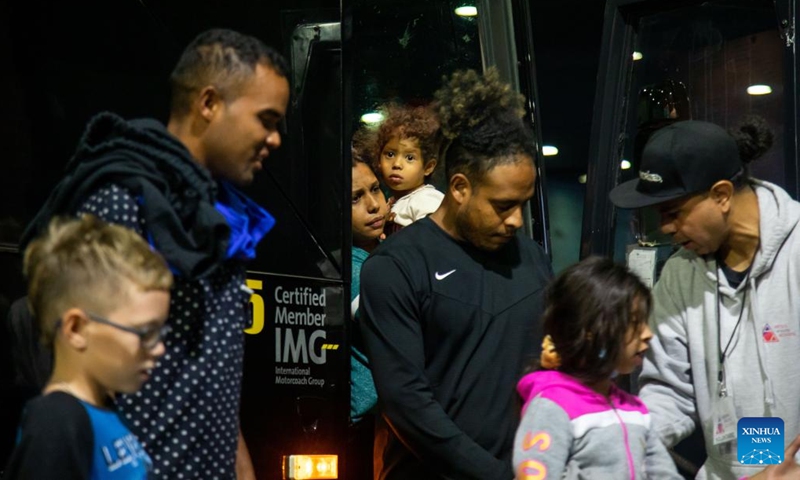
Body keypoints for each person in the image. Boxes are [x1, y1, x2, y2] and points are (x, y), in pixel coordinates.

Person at [18, 28, 290, 478]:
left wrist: (240, 465)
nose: (275, 139)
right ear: (208, 104)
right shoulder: (123, 201)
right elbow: (75, 367)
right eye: (266, 119)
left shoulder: (223, 217)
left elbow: (212, 365)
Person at [359, 67, 552, 479]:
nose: (517, 220)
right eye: (503, 205)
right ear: (460, 188)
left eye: (524, 204)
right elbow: (407, 404)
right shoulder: (395, 268)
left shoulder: (532, 259)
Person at [608, 118, 800, 479]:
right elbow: (667, 387)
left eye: (674, 213)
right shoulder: (681, 273)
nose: (665, 228)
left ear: (722, 195)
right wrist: (629, 443)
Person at [3, 214, 172, 479]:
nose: (159, 348)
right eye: (145, 332)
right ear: (76, 329)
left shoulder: (104, 411)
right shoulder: (56, 422)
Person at [512, 256, 681, 479]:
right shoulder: (551, 408)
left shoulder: (634, 410)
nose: (647, 333)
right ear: (591, 333)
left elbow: (663, 473)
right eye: (634, 323)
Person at [369, 102, 444, 235]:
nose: (397, 164)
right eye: (390, 154)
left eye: (409, 158)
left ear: (428, 167)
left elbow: (435, 242)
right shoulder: (391, 202)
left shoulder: (427, 199)